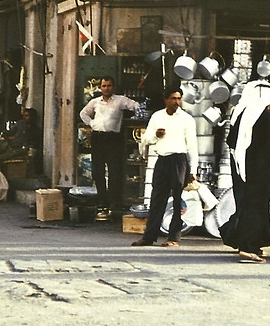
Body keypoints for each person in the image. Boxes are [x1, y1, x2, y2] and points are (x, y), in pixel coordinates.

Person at [222, 80, 270, 263]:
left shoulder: (239, 113)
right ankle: (248, 248)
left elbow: (230, 141)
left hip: (241, 167)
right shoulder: (266, 116)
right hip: (260, 169)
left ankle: (248, 243)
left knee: (245, 204)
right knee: (257, 207)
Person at [131, 87, 198, 247]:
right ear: (166, 99)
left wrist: (193, 169)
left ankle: (174, 237)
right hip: (162, 159)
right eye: (173, 98)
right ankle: (149, 236)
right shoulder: (157, 116)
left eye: (178, 99)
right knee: (157, 199)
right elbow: (146, 139)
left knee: (177, 200)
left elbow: (192, 146)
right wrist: (156, 135)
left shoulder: (186, 119)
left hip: (179, 160)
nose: (176, 102)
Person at [79, 76, 140, 220]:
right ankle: (102, 202)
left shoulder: (120, 100)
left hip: (113, 139)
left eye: (109, 85)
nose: (106, 88)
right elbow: (83, 114)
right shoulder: (95, 102)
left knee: (114, 171)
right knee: (98, 171)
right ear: (100, 87)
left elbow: (136, 105)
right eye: (104, 86)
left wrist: (137, 114)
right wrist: (92, 124)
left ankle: (114, 203)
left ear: (113, 87)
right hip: (98, 137)